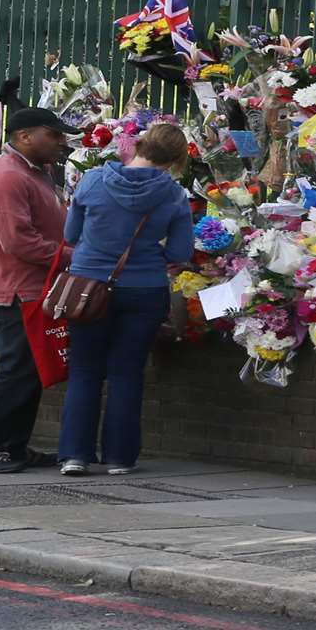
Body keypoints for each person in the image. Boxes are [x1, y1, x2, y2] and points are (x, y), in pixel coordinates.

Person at [58, 122, 194, 477]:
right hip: (144, 289)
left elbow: (70, 235)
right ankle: (119, 458)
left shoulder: (91, 181)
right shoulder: (174, 195)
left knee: (85, 370)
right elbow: (180, 250)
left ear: (138, 145)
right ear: (177, 158)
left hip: (87, 286)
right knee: (127, 372)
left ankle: (74, 455)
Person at [0, 105, 78, 475]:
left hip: (34, 288)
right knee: (15, 369)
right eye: (52, 134)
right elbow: (19, 242)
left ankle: (11, 447)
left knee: (31, 370)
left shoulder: (36, 172)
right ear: (24, 137)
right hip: (16, 291)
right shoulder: (8, 177)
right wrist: (76, 256)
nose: (60, 142)